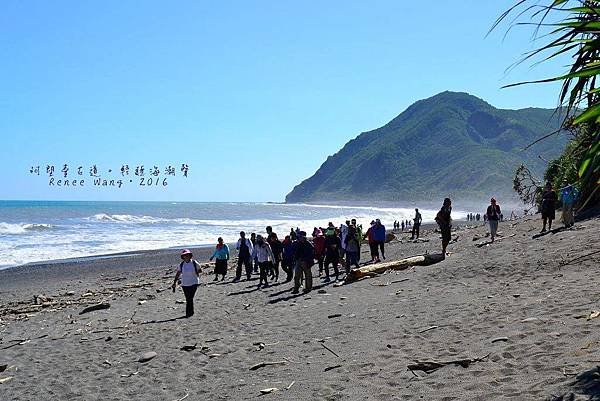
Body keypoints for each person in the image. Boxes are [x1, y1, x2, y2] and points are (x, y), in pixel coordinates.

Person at [172, 249, 202, 318]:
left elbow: (200, 270)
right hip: (184, 284)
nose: (186, 256)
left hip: (194, 282)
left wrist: (195, 272)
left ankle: (188, 313)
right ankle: (190, 313)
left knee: (190, 298)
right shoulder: (181, 264)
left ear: (190, 255)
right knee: (188, 298)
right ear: (183, 257)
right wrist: (174, 282)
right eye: (185, 255)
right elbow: (178, 273)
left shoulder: (194, 263)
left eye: (187, 255)